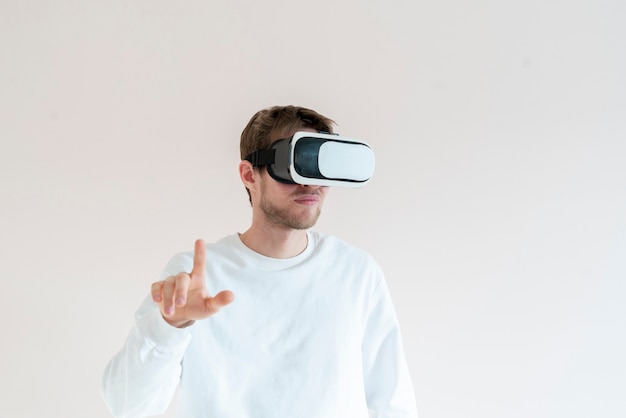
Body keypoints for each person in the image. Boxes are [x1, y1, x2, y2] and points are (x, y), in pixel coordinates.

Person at [101, 105, 418, 418]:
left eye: (319, 166)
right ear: (249, 174)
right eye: (295, 164)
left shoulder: (356, 273)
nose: (310, 184)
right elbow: (126, 406)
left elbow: (394, 403)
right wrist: (169, 327)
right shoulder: (194, 279)